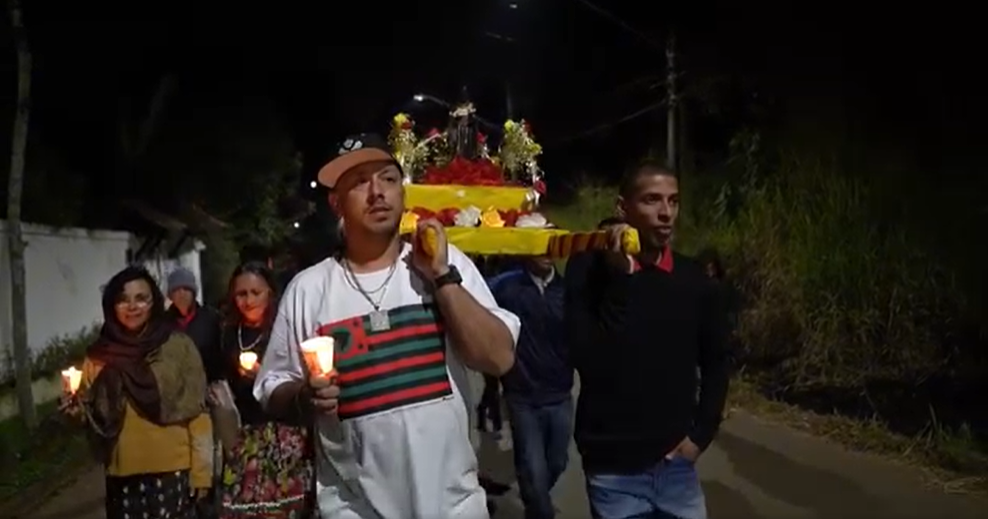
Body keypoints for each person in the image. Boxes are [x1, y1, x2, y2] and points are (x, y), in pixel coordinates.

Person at [253, 133, 519, 519]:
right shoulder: (308, 290)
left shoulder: (447, 264)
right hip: (354, 510)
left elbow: (498, 358)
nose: (377, 192)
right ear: (336, 203)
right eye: (360, 182)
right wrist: (303, 398)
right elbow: (272, 387)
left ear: (402, 193)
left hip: (455, 507)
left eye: (388, 179)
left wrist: (442, 277)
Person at [566, 161, 730, 519]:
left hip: (677, 469)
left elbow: (717, 361)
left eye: (673, 201)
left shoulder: (694, 280)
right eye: (652, 200)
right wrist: (620, 281)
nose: (666, 213)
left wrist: (701, 435)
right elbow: (589, 360)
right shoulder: (588, 271)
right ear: (622, 208)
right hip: (613, 471)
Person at [61, 266, 213, 519]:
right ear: (111, 305)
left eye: (141, 298)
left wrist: (202, 473)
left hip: (174, 473)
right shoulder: (99, 356)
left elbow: (198, 413)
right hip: (121, 477)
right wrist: (74, 412)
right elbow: (92, 418)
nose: (132, 307)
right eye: (123, 299)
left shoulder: (177, 347)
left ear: (154, 303)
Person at [212, 261, 314, 518]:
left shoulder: (283, 331)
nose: (248, 301)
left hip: (285, 434)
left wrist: (266, 377)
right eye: (241, 294)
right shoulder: (228, 333)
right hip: (246, 436)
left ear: (270, 292)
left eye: (256, 293)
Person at [491, 250, 571, 519]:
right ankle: (539, 508)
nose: (545, 253)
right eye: (538, 246)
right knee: (533, 468)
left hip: (559, 394)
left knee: (557, 462)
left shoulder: (567, 291)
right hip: (522, 396)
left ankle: (534, 497)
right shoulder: (507, 288)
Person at [166, 267, 224, 382]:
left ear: (193, 293)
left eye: (186, 289)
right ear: (170, 295)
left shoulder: (211, 318)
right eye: (176, 290)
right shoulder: (162, 322)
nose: (182, 293)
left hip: (208, 383)